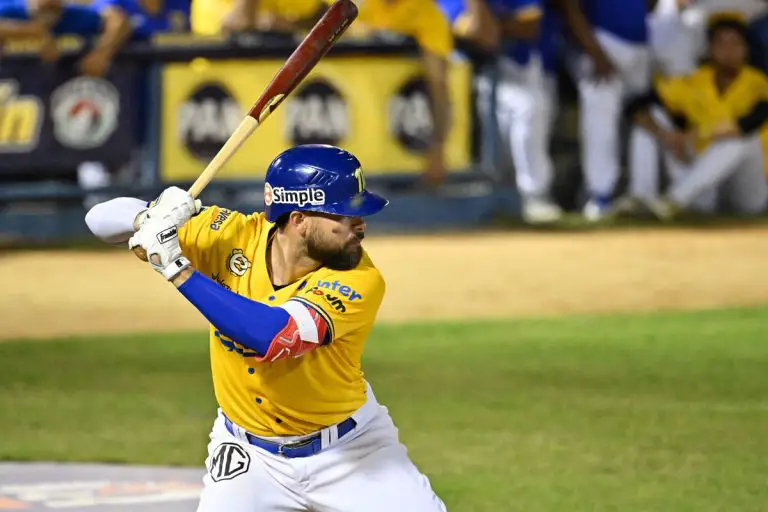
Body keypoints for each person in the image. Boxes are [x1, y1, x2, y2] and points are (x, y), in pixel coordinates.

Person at [84, 144, 448, 512]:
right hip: (249, 458)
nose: (360, 226)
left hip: (352, 454)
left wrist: (176, 268)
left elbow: (274, 336)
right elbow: (98, 218)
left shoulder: (360, 280)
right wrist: (149, 219)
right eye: (344, 215)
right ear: (298, 218)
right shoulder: (230, 237)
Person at [624, 16, 768, 218]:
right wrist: (666, 135)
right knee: (651, 119)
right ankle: (640, 197)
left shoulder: (758, 82)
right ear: (709, 49)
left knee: (740, 139)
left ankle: (672, 201)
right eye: (721, 43)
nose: (728, 51)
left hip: (747, 191)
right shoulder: (694, 80)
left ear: (746, 49)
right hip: (702, 185)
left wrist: (695, 135)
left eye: (735, 43)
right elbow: (634, 106)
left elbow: (754, 120)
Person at [440, 0, 565, 223]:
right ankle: (513, 196)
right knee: (523, 110)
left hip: (512, 71)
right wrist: (504, 22)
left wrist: (498, 24)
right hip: (463, 83)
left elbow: (530, 25)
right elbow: (482, 34)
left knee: (530, 106)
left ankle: (533, 195)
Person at [555, 0, 656, 220]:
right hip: (602, 41)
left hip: (639, 43)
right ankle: (599, 196)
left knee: (645, 116)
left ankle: (643, 195)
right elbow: (569, 7)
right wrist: (594, 51)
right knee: (601, 121)